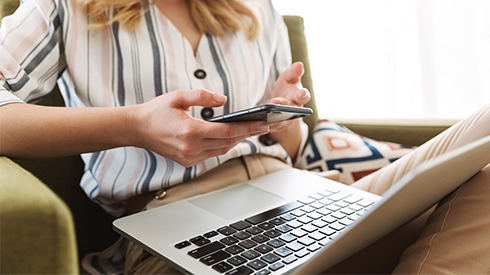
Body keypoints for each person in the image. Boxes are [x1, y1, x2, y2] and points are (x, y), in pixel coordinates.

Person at [1, 0, 490, 274]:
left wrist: (284, 117)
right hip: (170, 225)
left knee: (482, 160)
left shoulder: (257, 9)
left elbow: (293, 145)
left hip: (300, 199)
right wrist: (135, 125)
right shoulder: (66, 7)